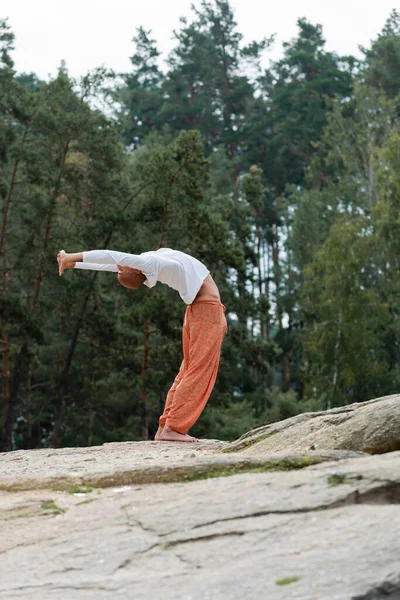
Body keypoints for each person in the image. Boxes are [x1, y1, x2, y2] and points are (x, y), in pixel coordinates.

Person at [57, 247, 228, 442]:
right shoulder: (149, 263)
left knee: (188, 371)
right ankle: (173, 428)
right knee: (198, 372)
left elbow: (110, 263)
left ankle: (166, 427)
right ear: (136, 270)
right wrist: (73, 257)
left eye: (120, 270)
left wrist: (75, 263)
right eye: (122, 269)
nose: (119, 268)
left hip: (199, 312)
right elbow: (112, 257)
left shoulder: (147, 262)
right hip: (206, 312)